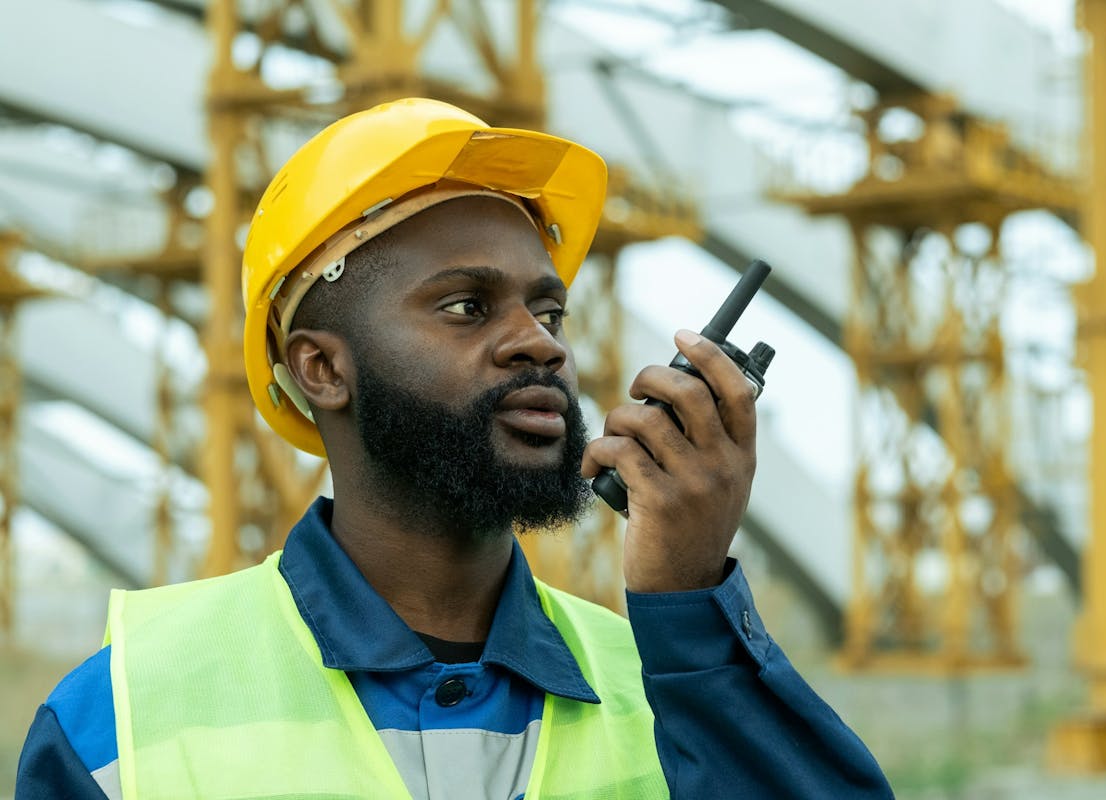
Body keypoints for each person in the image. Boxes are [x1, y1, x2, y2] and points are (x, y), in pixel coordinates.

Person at [16, 98, 892, 799]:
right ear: (321, 369)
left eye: (549, 313)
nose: (541, 344)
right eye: (468, 306)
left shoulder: (669, 683)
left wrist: (691, 603)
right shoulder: (122, 722)